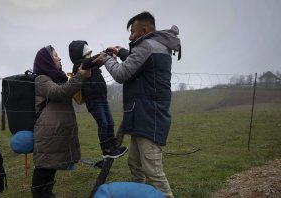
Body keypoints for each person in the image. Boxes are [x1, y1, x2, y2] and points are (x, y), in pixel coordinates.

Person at [93, 11, 181, 198]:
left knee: (153, 171)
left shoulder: (146, 46)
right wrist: (123, 52)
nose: (130, 36)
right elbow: (142, 63)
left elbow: (122, 74)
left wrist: (107, 58)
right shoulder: (157, 44)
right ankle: (140, 194)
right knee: (135, 164)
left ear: (144, 30)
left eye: (132, 31)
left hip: (148, 115)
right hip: (145, 114)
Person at [31, 45, 91, 197]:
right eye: (55, 56)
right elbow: (60, 92)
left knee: (50, 170)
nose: (59, 58)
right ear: (47, 60)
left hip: (55, 133)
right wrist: (80, 76)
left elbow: (68, 88)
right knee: (44, 170)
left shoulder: (58, 78)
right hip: (48, 134)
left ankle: (47, 193)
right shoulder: (41, 79)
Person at [68, 40, 127, 159]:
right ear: (80, 55)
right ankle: (106, 150)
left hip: (101, 97)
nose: (90, 56)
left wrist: (107, 53)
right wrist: (104, 54)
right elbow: (88, 62)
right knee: (103, 123)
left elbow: (96, 60)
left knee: (110, 122)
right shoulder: (79, 65)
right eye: (87, 54)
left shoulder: (91, 62)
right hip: (92, 100)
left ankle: (113, 146)